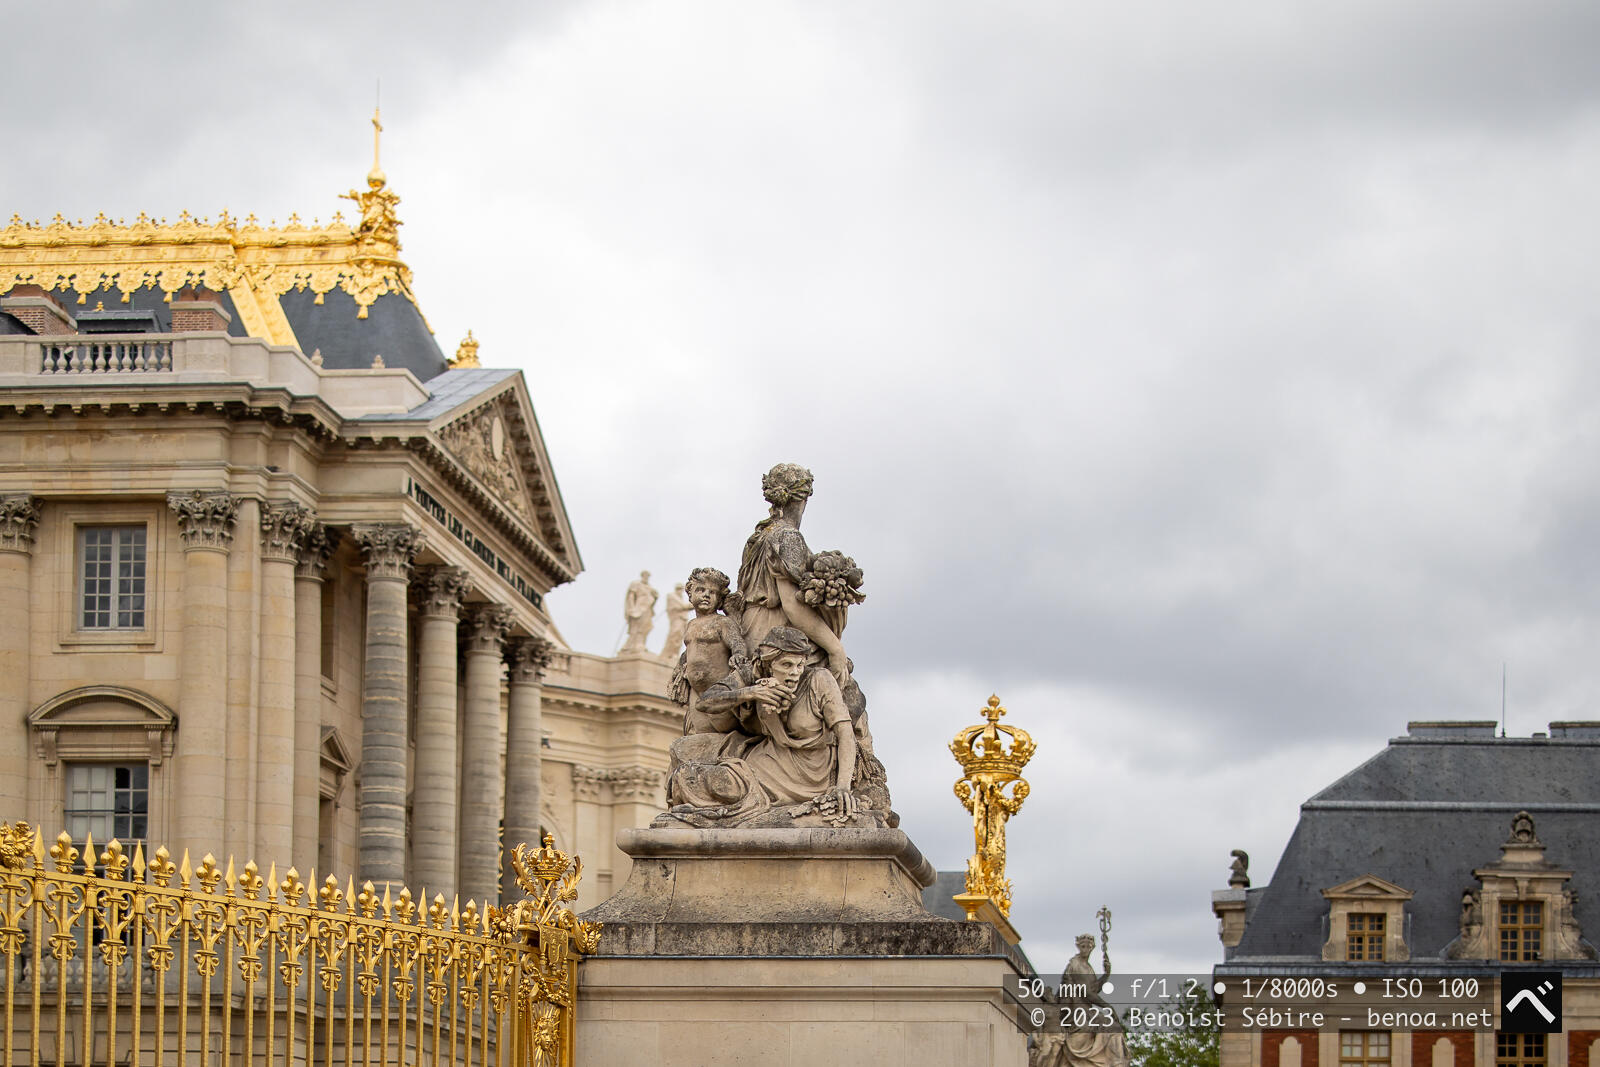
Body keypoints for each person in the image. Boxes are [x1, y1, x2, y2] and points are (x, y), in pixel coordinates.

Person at [665, 628, 859, 825]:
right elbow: (705, 703)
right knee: (687, 777)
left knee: (714, 787)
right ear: (769, 664)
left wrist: (842, 786)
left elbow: (846, 735)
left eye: (800, 665)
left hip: (812, 772)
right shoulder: (754, 675)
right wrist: (752, 692)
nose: (794, 672)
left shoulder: (819, 679)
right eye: (786, 665)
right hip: (767, 761)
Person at [736, 464, 851, 685]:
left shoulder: (757, 537)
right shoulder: (787, 537)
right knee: (837, 686)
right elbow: (792, 606)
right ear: (803, 500)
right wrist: (835, 649)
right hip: (775, 634)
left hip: (748, 630)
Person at [669, 567, 751, 733]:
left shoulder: (722, 622)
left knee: (722, 730)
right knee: (701, 734)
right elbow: (690, 651)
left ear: (719, 600)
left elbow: (737, 642)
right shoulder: (690, 625)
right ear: (690, 595)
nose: (706, 594)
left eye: (712, 592)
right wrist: (678, 671)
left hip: (717, 690)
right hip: (695, 691)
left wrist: (738, 655)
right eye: (701, 590)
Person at [620, 570, 658, 653]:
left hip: (647, 608)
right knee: (635, 628)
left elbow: (653, 598)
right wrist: (631, 608)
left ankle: (640, 644)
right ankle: (629, 646)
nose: (646, 577)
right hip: (638, 608)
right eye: (645, 575)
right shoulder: (636, 584)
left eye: (648, 576)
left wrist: (655, 597)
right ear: (642, 576)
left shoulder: (649, 587)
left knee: (645, 627)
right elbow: (630, 597)